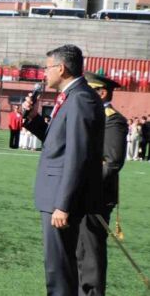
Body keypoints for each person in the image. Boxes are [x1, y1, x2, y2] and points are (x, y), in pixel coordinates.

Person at [22, 44, 105, 295]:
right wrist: (34, 119)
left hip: (61, 198)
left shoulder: (80, 98)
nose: (44, 74)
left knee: (59, 270)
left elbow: (77, 155)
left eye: (47, 68)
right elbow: (57, 142)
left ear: (62, 68)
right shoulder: (72, 96)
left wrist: (63, 204)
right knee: (57, 268)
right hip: (56, 195)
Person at [75, 72, 128, 295]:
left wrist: (87, 186)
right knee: (80, 251)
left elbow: (112, 162)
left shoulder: (112, 120)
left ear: (102, 92)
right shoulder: (93, 115)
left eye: (90, 89)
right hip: (81, 194)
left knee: (91, 254)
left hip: (96, 197)